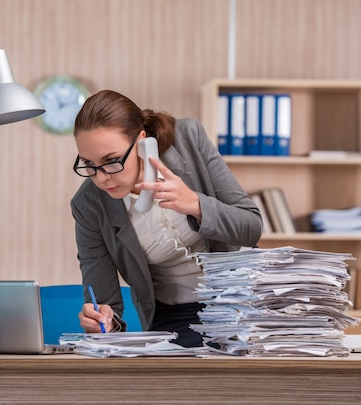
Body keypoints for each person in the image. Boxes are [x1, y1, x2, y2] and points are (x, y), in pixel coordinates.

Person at [71, 90, 262, 347]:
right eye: (89, 164)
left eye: (112, 161)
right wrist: (102, 320)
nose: (102, 177)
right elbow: (107, 306)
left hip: (243, 300)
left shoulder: (188, 139)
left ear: (141, 141)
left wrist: (196, 205)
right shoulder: (89, 205)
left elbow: (251, 227)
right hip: (175, 317)